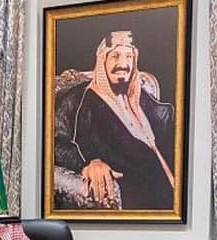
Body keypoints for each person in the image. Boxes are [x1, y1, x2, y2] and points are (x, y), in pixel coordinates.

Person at [54, 30, 175, 209]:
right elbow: (56, 142)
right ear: (103, 61)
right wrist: (87, 164)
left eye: (129, 57)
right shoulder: (78, 98)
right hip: (136, 198)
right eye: (115, 56)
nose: (123, 64)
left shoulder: (144, 98)